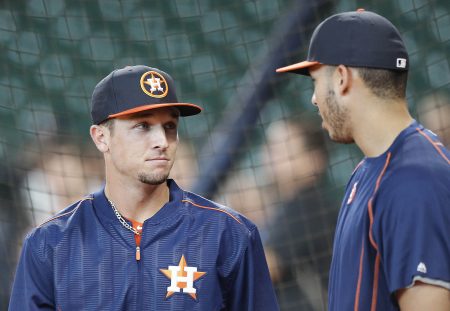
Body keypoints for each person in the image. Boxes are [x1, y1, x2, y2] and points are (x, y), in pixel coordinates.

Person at [9, 65, 279, 310]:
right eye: (143, 126)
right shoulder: (49, 243)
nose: (162, 140)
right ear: (101, 138)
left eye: (170, 126)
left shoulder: (230, 233)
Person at [276, 9, 450, 311]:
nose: (314, 99)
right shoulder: (368, 170)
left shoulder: (417, 179)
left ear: (341, 78)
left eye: (316, 81)